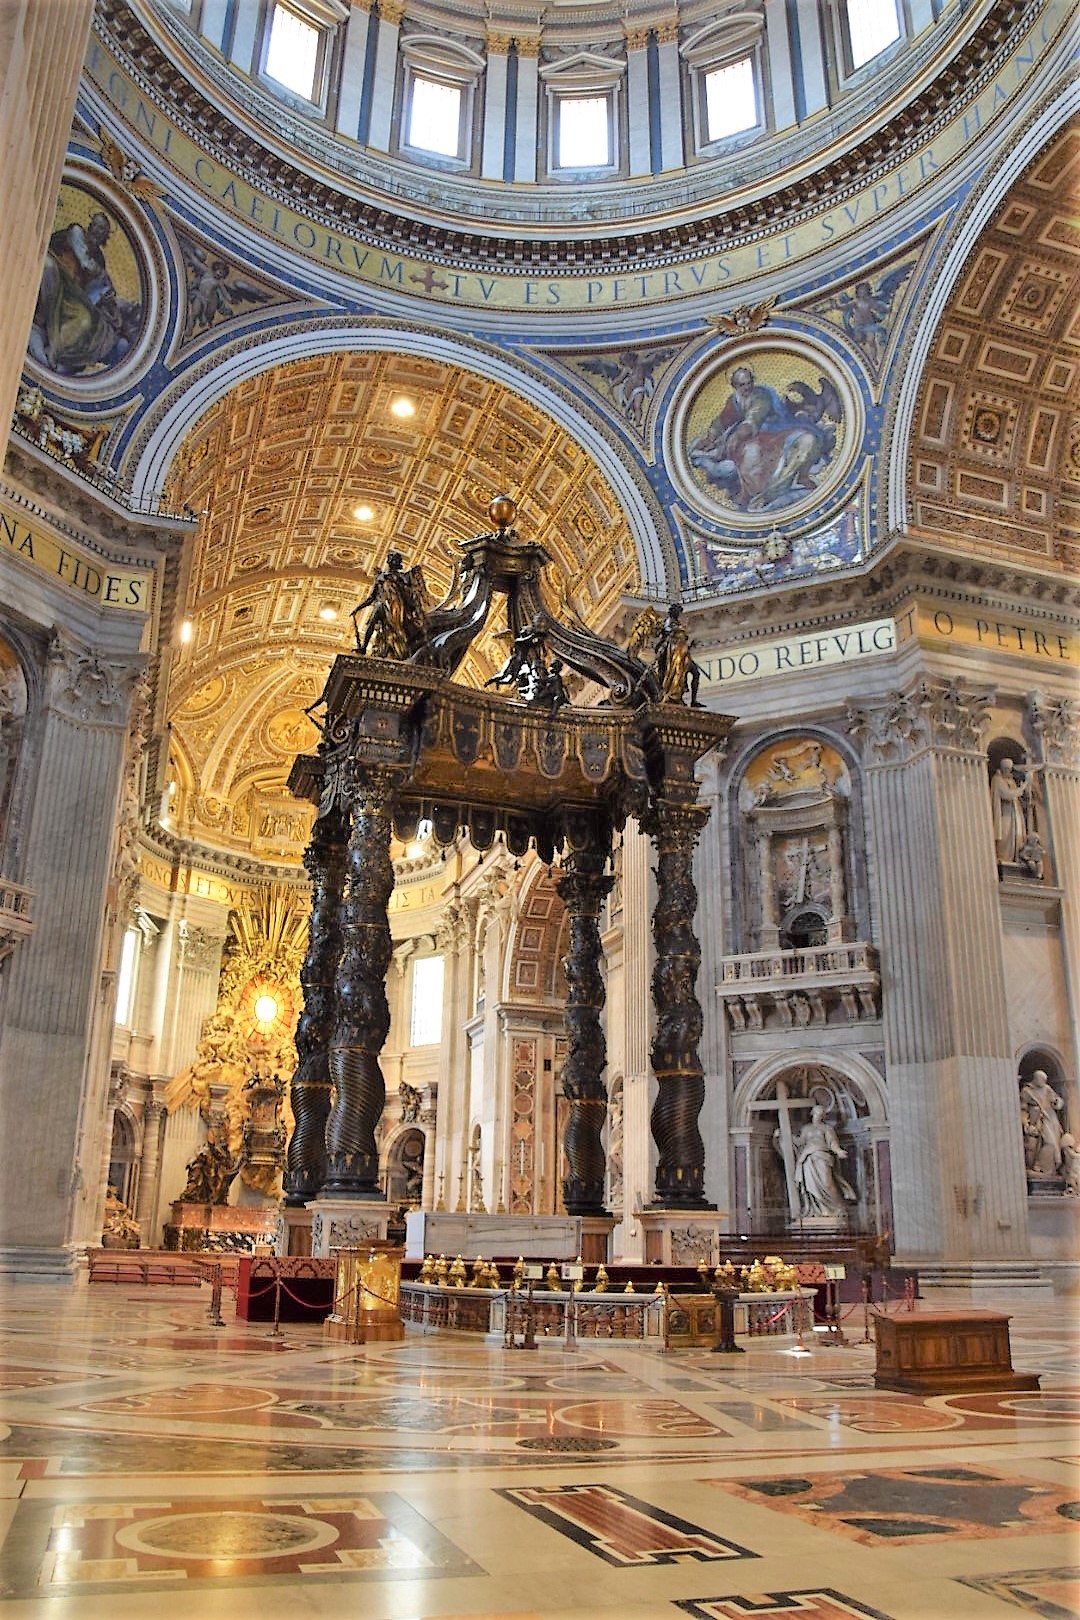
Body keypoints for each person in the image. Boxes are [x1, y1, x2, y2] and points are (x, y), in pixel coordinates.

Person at [688, 364, 836, 512]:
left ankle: (786, 485)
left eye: (749, 382)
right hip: (757, 437)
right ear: (734, 386)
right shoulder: (734, 400)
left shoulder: (761, 394)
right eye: (742, 385)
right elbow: (722, 421)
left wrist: (737, 435)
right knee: (748, 454)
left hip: (779, 429)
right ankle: (753, 494)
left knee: (808, 440)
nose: (747, 387)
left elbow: (754, 417)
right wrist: (710, 437)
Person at [29, 211, 141, 375]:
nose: (98, 231)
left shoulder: (100, 257)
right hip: (59, 270)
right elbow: (85, 262)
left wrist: (105, 292)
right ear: (90, 225)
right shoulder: (77, 231)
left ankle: (57, 348)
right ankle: (44, 324)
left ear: (105, 237)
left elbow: (92, 290)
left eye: (102, 230)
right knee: (48, 266)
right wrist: (100, 274)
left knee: (84, 318)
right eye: (96, 226)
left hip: (73, 292)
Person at [352, 551, 427, 659]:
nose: (394, 562)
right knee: (371, 622)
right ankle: (364, 647)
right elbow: (371, 597)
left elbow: (411, 594)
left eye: (396, 560)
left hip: (397, 605)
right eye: (393, 560)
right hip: (382, 604)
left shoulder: (404, 577)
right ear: (389, 561)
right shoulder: (380, 577)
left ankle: (401, 646)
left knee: (397, 626)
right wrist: (358, 608)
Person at [793, 1104, 856, 1220]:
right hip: (808, 1160)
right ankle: (821, 1210)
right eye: (817, 1113)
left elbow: (832, 1143)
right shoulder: (806, 1128)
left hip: (822, 1158)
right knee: (811, 1187)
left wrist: (838, 1151)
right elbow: (800, 1142)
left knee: (827, 1183)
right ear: (812, 1113)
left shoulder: (827, 1129)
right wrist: (782, 1135)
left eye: (821, 1114)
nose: (819, 1116)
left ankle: (836, 1208)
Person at [653, 603, 703, 706]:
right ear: (672, 612)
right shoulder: (668, 622)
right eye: (677, 611)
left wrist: (690, 646)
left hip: (683, 652)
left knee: (696, 673)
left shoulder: (677, 623)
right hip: (674, 653)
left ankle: (693, 701)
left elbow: (680, 640)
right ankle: (672, 694)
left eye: (679, 612)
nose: (678, 613)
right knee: (677, 673)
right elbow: (668, 634)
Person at [990, 757, 1037, 866]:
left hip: (1016, 814)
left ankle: (1017, 858)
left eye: (1009, 769)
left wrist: (1026, 794)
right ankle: (1004, 859)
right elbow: (1007, 795)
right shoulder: (997, 779)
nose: (1007, 771)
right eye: (1005, 768)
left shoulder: (1011, 780)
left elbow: (1018, 797)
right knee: (1005, 836)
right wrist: (1024, 785)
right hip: (1004, 814)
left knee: (1018, 836)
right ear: (1001, 768)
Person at [1020, 1070, 1064, 1175]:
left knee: (1053, 1144)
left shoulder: (1047, 1089)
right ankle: (1039, 1167)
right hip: (1036, 1121)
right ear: (1035, 1079)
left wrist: (1056, 1101)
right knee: (1047, 1143)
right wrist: (1026, 1123)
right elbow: (1023, 1109)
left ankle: (1048, 1169)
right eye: (1041, 1079)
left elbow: (1059, 1101)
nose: (1043, 1082)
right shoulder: (1027, 1091)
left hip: (1051, 1120)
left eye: (1045, 1080)